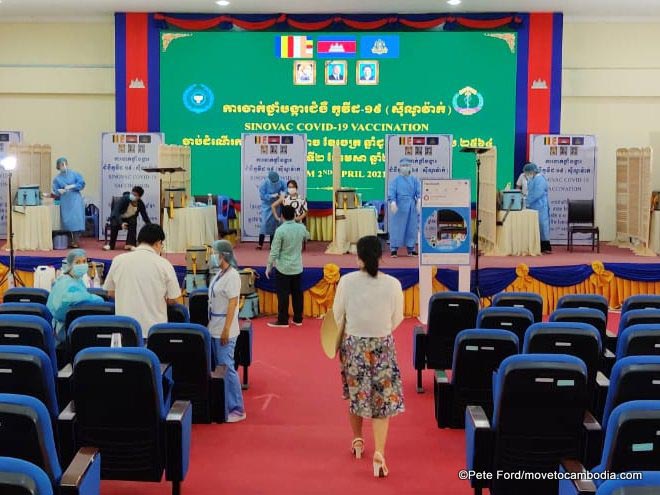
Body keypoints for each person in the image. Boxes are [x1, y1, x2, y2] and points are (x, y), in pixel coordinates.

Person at [333, 235, 404, 478]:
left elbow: (337, 314)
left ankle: (357, 440)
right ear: (380, 256)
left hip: (353, 345)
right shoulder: (393, 284)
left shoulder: (346, 281)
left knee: (356, 394)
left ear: (359, 257)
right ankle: (380, 452)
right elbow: (398, 318)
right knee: (382, 401)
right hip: (383, 345)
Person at [103, 224, 181, 338]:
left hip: (125, 330)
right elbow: (173, 300)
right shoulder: (164, 264)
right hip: (154, 332)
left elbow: (110, 293)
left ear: (139, 241)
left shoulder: (118, 260)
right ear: (158, 243)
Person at [207, 240, 246, 423]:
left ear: (223, 255)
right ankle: (223, 404)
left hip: (225, 328)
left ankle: (237, 407)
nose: (212, 256)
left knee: (227, 367)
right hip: (214, 325)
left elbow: (232, 304)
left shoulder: (233, 276)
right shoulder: (219, 274)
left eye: (215, 253)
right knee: (219, 368)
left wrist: (226, 329)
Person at [46, 248, 104, 342]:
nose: (82, 265)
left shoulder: (77, 280)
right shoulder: (64, 282)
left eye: (84, 261)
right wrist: (91, 298)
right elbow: (66, 301)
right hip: (62, 331)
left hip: (75, 327)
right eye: (78, 262)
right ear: (70, 265)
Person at [265, 205, 309, 327]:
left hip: (283, 268)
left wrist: (269, 266)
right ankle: (298, 319)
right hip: (297, 266)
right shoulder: (301, 228)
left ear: (282, 216)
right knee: (297, 294)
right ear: (294, 215)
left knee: (283, 294)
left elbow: (274, 251)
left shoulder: (280, 231)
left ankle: (283, 320)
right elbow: (308, 236)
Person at [387, 158, 422, 257]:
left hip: (411, 206)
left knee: (411, 228)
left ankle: (411, 249)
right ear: (400, 167)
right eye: (403, 165)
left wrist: (419, 200)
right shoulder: (395, 181)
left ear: (410, 167)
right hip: (399, 206)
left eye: (407, 165)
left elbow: (419, 192)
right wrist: (393, 202)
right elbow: (391, 192)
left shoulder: (414, 180)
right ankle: (394, 249)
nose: (405, 167)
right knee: (397, 228)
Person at [52, 157, 86, 248]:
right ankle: (68, 241)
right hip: (65, 200)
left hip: (75, 199)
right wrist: (59, 191)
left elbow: (81, 183)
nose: (63, 166)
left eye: (64, 164)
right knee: (67, 221)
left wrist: (73, 186)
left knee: (76, 220)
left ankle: (76, 240)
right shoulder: (57, 179)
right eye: (61, 165)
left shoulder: (74, 174)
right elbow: (55, 190)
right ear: (58, 166)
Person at [103, 186, 151, 251]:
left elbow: (145, 216)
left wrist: (151, 227)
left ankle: (130, 245)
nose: (132, 195)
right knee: (114, 222)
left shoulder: (140, 204)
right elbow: (116, 212)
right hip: (118, 218)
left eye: (135, 195)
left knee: (133, 221)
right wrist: (121, 223)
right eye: (132, 193)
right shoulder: (124, 199)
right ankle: (111, 245)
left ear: (139, 197)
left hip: (129, 219)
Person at [523, 162, 552, 253]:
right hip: (533, 206)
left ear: (532, 171)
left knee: (542, 226)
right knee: (536, 226)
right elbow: (530, 191)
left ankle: (546, 246)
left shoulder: (540, 179)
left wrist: (527, 201)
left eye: (528, 172)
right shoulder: (533, 179)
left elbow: (537, 194)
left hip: (540, 206)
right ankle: (537, 246)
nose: (527, 175)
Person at [257, 171, 286, 249]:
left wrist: (283, 194)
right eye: (273, 182)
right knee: (264, 224)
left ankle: (272, 245)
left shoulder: (281, 181)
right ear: (269, 179)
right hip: (266, 205)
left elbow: (286, 189)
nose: (275, 183)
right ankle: (260, 244)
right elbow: (262, 196)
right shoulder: (264, 184)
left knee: (274, 224)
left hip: (277, 204)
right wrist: (271, 196)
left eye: (276, 181)